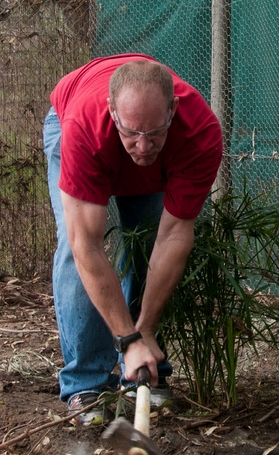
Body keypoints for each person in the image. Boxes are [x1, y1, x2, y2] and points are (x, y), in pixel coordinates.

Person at [43, 54, 223, 426]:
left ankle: (144, 367)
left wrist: (144, 331)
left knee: (147, 239)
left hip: (155, 147)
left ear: (173, 110)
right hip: (79, 129)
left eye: (154, 132)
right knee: (73, 251)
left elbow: (174, 236)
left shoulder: (199, 131)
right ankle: (87, 383)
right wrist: (126, 338)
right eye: (132, 134)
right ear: (112, 111)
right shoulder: (85, 126)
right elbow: (86, 245)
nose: (143, 147)